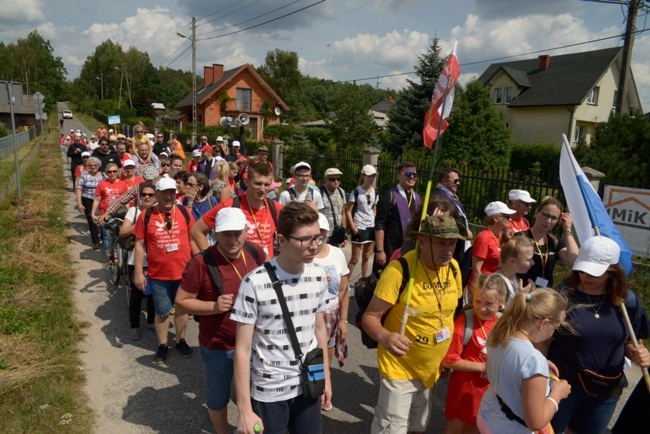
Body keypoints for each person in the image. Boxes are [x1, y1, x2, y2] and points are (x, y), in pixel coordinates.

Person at [231, 202, 331, 434]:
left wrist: (325, 378)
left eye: (318, 237)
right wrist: (244, 410)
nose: (314, 246)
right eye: (305, 239)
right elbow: (243, 349)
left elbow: (319, 330)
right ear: (282, 240)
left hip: (309, 383)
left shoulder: (318, 276)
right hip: (270, 391)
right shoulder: (254, 283)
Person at [362, 215, 465, 434]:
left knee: (417, 427)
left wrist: (446, 356)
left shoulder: (454, 268)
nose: (448, 249)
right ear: (422, 241)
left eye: (452, 243)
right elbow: (369, 317)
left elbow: (451, 314)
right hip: (400, 367)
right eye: (441, 243)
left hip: (432, 369)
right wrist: (386, 337)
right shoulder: (399, 271)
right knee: (392, 429)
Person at [546, 236, 650, 434]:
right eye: (583, 268)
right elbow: (542, 340)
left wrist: (641, 353)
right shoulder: (562, 295)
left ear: (612, 271)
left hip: (605, 392)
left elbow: (632, 342)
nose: (586, 276)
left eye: (595, 272)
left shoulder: (627, 302)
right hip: (561, 386)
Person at [175, 207, 266, 434]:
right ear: (215, 233)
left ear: (246, 230)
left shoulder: (256, 252)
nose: (233, 240)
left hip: (256, 343)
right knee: (218, 397)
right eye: (226, 234)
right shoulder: (201, 263)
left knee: (260, 394)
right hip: (219, 346)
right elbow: (181, 302)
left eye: (238, 233)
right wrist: (213, 306)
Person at [477, 289, 571, 434]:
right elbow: (536, 422)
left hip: (488, 415)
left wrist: (538, 366)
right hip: (509, 429)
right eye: (555, 327)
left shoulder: (500, 333)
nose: (554, 332)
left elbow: (510, 363)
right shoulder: (533, 360)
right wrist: (558, 393)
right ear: (544, 323)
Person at [133, 178, 198, 364]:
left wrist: (200, 264)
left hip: (184, 273)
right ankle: (163, 344)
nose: (169, 196)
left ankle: (180, 339)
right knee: (161, 312)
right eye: (164, 192)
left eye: (172, 192)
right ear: (157, 194)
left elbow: (193, 240)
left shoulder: (185, 212)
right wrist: (138, 272)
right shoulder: (146, 216)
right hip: (159, 274)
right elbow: (139, 245)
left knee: (182, 310)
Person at [441, 274, 508, 434]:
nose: (482, 308)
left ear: (501, 302)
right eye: (477, 301)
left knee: (478, 428)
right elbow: (449, 360)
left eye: (489, 303)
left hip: (489, 392)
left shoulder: (503, 322)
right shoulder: (466, 321)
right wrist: (484, 367)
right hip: (464, 391)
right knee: (455, 427)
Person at [192, 162, 282, 257]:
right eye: (258, 183)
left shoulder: (275, 208)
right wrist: (212, 259)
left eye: (267, 184)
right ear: (247, 182)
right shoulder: (231, 205)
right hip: (238, 269)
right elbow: (196, 231)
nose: (262, 189)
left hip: (266, 268)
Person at [313, 213, 350, 406]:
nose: (317, 238)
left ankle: (321, 391)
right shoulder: (303, 255)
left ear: (327, 233)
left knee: (326, 355)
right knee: (308, 356)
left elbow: (343, 289)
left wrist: (343, 321)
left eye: (321, 233)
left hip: (331, 313)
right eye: (313, 233)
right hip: (309, 315)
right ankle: (310, 392)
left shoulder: (336, 253)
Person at [119, 182, 156, 341]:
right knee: (136, 296)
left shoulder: (158, 212)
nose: (146, 197)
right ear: (139, 196)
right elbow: (123, 232)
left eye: (150, 195)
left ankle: (151, 321)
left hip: (155, 260)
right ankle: (134, 325)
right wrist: (140, 223)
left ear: (155, 197)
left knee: (155, 294)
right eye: (144, 194)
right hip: (136, 261)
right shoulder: (133, 211)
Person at [516, 196, 578, 288]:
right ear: (537, 212)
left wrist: (567, 229)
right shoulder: (521, 237)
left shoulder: (554, 241)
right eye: (545, 215)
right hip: (522, 291)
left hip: (544, 295)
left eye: (554, 218)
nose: (548, 221)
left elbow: (574, 262)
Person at [374, 162, 422, 273]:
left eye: (414, 175)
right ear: (398, 175)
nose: (412, 177)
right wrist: (380, 251)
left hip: (410, 249)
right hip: (391, 248)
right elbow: (379, 225)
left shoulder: (418, 198)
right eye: (408, 174)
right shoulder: (389, 197)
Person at [470, 201, 516, 287]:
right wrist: (478, 292)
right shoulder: (483, 238)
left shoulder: (500, 235)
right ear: (496, 218)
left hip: (494, 286)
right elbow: (476, 269)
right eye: (507, 216)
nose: (510, 219)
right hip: (483, 287)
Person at [345, 164, 378, 279]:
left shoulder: (375, 192)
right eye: (370, 176)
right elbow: (348, 210)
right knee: (355, 258)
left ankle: (364, 282)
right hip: (359, 225)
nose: (372, 178)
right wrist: (353, 227)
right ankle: (346, 282)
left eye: (374, 176)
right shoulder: (356, 191)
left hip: (370, 226)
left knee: (367, 257)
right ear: (363, 176)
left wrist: (373, 220)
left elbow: (374, 208)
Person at [434, 168, 472, 265]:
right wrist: (464, 231)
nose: (458, 183)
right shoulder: (438, 197)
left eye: (458, 180)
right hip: (449, 250)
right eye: (455, 181)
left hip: (459, 245)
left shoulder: (451, 196)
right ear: (444, 181)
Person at [91, 163, 128, 262]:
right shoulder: (102, 184)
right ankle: (108, 253)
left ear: (118, 172)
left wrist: (128, 213)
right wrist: (93, 213)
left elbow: (126, 200)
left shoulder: (123, 184)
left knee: (119, 234)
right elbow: (97, 199)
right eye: (109, 172)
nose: (112, 173)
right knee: (107, 235)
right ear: (106, 173)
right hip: (105, 213)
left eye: (114, 171)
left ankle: (116, 254)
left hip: (119, 213)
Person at [493, 235, 535, 304]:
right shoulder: (497, 284)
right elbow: (499, 313)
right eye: (529, 260)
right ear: (512, 261)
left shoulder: (513, 277)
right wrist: (526, 296)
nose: (533, 263)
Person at [76, 156, 104, 250]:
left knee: (102, 220)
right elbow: (79, 189)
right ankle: (95, 241)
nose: (93, 167)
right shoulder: (84, 174)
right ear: (88, 166)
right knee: (92, 221)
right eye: (91, 165)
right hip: (87, 199)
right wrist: (79, 203)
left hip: (101, 200)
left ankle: (104, 239)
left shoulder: (103, 175)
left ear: (99, 165)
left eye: (95, 165)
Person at [319, 168, 347, 248]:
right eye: (332, 179)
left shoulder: (341, 191)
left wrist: (344, 233)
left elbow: (343, 213)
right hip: (323, 233)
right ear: (325, 179)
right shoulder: (319, 191)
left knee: (334, 257)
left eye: (338, 179)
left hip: (336, 233)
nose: (336, 181)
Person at [183, 172, 218, 237]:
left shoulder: (211, 200)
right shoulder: (185, 200)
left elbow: (217, 220)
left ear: (201, 187)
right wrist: (190, 202)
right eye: (186, 184)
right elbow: (186, 220)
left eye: (191, 184)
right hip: (192, 236)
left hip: (207, 237)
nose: (187, 187)